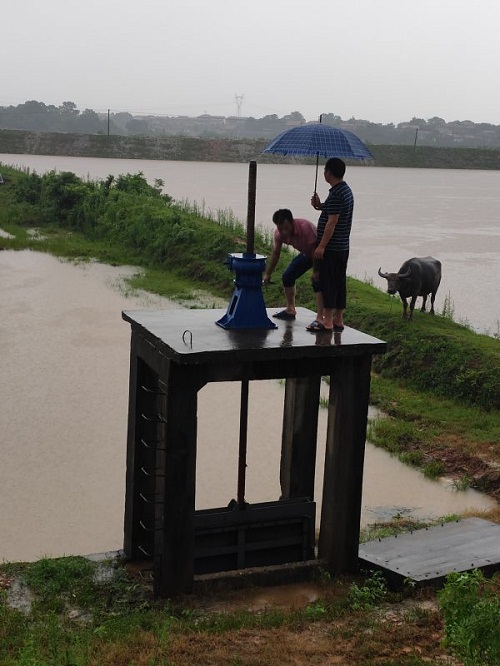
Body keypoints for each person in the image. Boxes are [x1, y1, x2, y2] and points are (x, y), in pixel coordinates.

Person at [308, 157, 354, 332]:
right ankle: (338, 318)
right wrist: (319, 206)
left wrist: (321, 246)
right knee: (340, 281)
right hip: (343, 246)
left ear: (329, 172)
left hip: (332, 248)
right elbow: (333, 210)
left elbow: (332, 222)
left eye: (325, 171)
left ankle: (326, 320)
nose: (323, 173)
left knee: (328, 282)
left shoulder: (336, 194)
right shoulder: (345, 190)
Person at [263, 209, 317, 320]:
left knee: (320, 281)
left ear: (292, 222)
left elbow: (315, 249)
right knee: (288, 275)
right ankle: (290, 309)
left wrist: (316, 271)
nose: (283, 232)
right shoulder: (279, 235)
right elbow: (276, 254)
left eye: (286, 228)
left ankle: (325, 317)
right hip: (307, 254)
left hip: (321, 253)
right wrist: (268, 274)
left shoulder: (305, 227)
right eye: (280, 228)